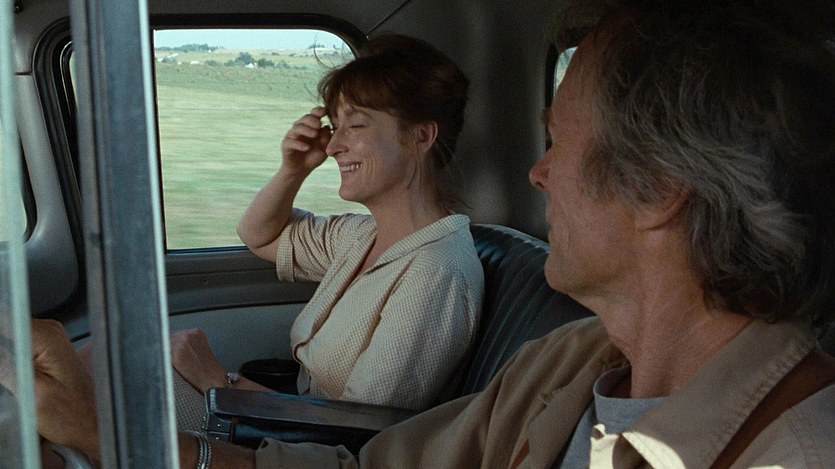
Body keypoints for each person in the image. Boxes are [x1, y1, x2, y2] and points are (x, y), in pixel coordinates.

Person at [7, 0, 835, 467]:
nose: (536, 174)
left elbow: (361, 422)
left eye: (558, 143)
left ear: (655, 188)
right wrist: (117, 434)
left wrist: (156, 415)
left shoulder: (793, 450)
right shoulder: (567, 362)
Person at [169, 33, 484, 413]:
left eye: (357, 126)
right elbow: (258, 235)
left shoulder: (436, 272)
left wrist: (217, 382)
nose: (333, 147)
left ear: (421, 135)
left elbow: (361, 427)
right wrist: (293, 170)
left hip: (307, 442)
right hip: (289, 427)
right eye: (335, 126)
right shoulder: (360, 236)